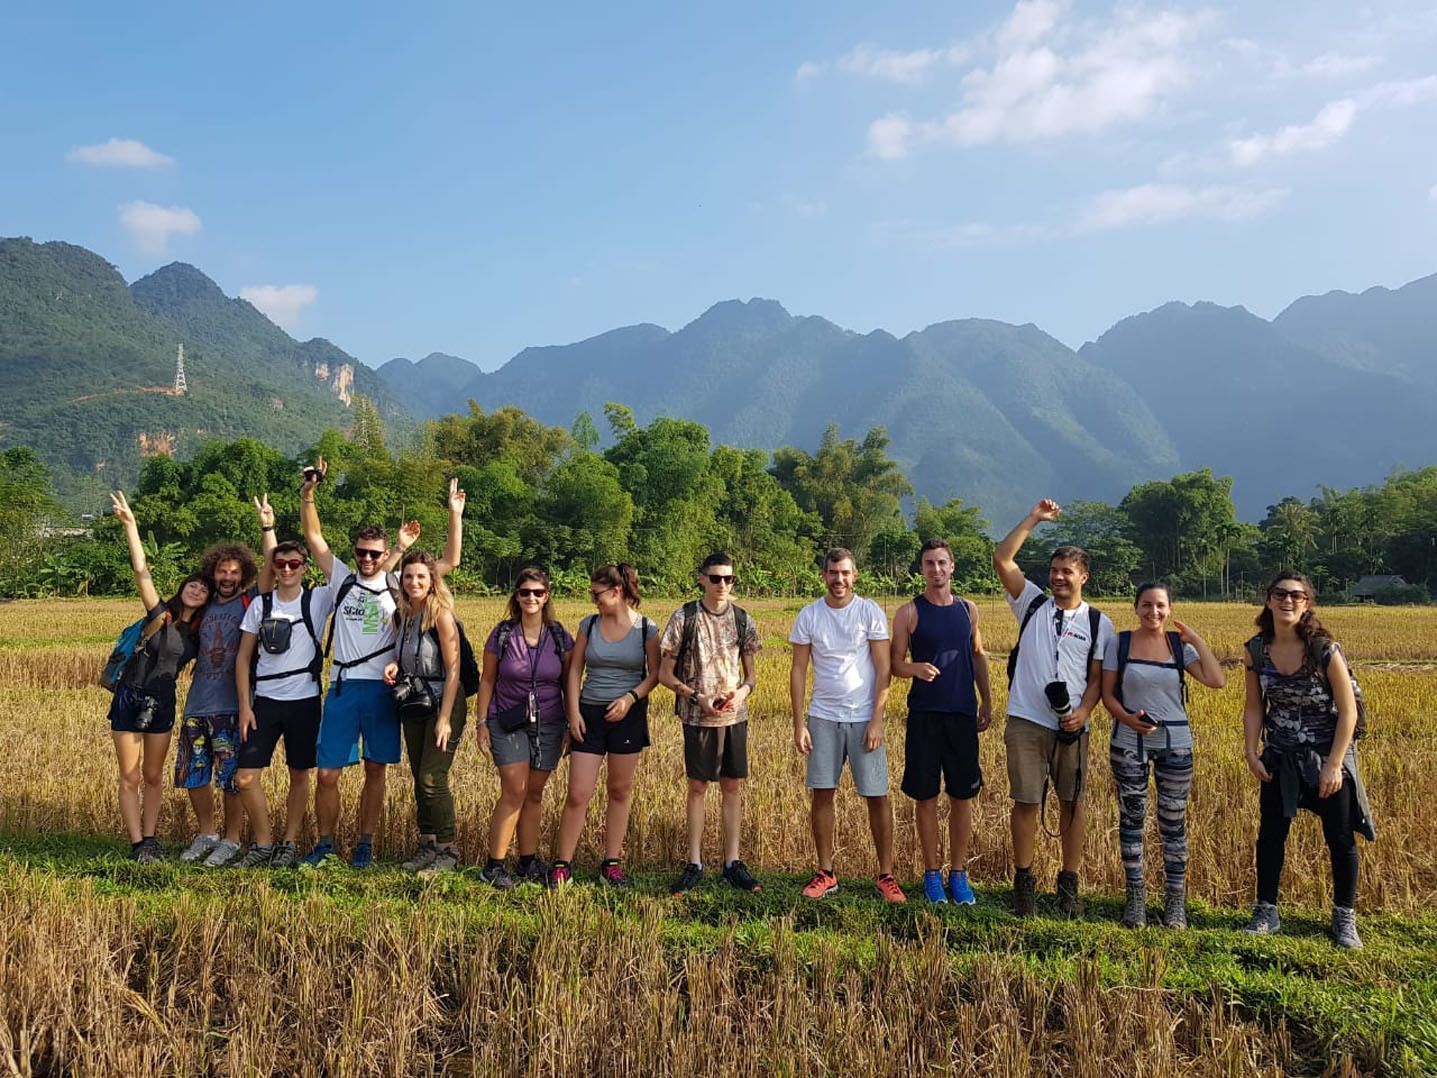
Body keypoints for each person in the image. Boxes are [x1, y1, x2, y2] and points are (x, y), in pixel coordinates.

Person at [298, 459, 465, 868]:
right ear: (354, 552)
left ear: (383, 552)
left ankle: (365, 844)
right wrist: (308, 493)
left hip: (385, 692)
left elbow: (449, 562)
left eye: (375, 553)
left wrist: (454, 515)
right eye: (361, 552)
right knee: (327, 774)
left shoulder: (400, 585)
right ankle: (324, 844)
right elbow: (313, 535)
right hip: (342, 685)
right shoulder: (342, 578)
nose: (368, 558)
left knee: (377, 771)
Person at [992, 499, 1115, 917]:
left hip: (1071, 725)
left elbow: (1098, 677)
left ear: (1084, 576)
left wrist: (1084, 711)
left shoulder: (1099, 622)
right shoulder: (1031, 603)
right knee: (1025, 801)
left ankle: (1069, 884)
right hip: (1026, 719)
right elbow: (1002, 557)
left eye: (1067, 571)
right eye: (1054, 570)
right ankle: (1024, 883)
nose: (1059, 577)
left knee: (1072, 802)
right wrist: (1033, 519)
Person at [1241, 573, 1373, 949]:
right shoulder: (1255, 650)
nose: (1288, 600)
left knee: (1340, 837)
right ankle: (1266, 910)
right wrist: (1252, 751)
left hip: (1326, 755)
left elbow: (1347, 713)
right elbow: (1254, 707)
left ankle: (1344, 918)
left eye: (1297, 596)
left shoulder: (1325, 649)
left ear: (1307, 603)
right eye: (1280, 594)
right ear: (1268, 600)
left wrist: (1334, 765)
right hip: (1280, 755)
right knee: (1271, 835)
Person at [1100, 582, 1225, 929]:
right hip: (1129, 743)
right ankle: (1136, 899)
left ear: (1170, 609)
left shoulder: (1177, 646)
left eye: (1160, 606)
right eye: (1146, 605)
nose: (1153, 613)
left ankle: (1175, 903)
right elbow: (1108, 694)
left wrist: (1195, 639)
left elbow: (1216, 681)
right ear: (1135, 608)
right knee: (1132, 819)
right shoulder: (1119, 643)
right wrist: (1127, 718)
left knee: (1174, 823)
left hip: (1177, 743)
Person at [790, 548, 904, 902]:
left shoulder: (869, 611)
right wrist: (799, 724)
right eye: (832, 573)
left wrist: (877, 720)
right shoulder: (809, 615)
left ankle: (886, 874)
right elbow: (798, 671)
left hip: (863, 717)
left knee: (877, 795)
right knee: (823, 792)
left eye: (845, 573)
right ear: (823, 575)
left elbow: (884, 669)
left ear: (855, 576)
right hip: (822, 716)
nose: (838, 579)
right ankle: (826, 872)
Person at [106, 491, 212, 863]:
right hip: (129, 695)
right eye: (193, 584)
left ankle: (151, 839)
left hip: (163, 703)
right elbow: (141, 569)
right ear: (183, 588)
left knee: (153, 776)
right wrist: (131, 526)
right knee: (129, 777)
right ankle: (137, 844)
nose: (197, 589)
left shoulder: (200, 635)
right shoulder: (159, 614)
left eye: (204, 588)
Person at [889, 538, 992, 905]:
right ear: (921, 570)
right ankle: (932, 874)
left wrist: (987, 700)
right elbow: (894, 663)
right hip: (925, 717)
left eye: (942, 563)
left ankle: (959, 874)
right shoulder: (909, 613)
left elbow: (978, 655)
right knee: (926, 797)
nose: (936, 570)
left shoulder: (968, 610)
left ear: (952, 568)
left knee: (963, 797)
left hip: (963, 714)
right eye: (929, 563)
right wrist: (914, 668)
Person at [178, 498, 277, 866]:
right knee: (194, 775)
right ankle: (206, 833)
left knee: (231, 777)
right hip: (196, 703)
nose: (228, 577)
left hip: (233, 705)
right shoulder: (201, 607)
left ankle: (232, 840)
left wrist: (267, 527)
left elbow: (272, 565)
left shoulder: (251, 602)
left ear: (244, 574)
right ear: (213, 572)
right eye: (222, 571)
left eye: (235, 572)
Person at [551, 563, 661, 888]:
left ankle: (611, 863)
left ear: (616, 592)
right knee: (578, 793)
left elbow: (655, 674)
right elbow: (574, 671)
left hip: (628, 716)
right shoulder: (589, 624)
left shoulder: (646, 628)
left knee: (619, 791)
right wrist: (574, 714)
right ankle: (562, 864)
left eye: (597, 593)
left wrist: (629, 698)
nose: (593, 598)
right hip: (589, 714)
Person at [660, 553, 764, 895]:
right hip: (697, 716)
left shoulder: (742, 619)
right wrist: (696, 697)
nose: (723, 585)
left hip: (734, 715)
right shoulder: (684, 617)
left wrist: (742, 694)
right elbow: (664, 673)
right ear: (701, 578)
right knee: (698, 788)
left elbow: (751, 676)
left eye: (729, 579)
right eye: (716, 578)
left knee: (732, 787)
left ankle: (732, 862)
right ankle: (695, 862)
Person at [233, 540, 336, 867]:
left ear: (306, 567)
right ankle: (264, 842)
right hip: (264, 701)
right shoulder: (260, 605)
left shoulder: (318, 599)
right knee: (245, 777)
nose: (287, 569)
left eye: (294, 563)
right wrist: (245, 706)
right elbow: (242, 658)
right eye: (281, 564)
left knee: (299, 775)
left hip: (304, 701)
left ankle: (289, 843)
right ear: (273, 568)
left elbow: (357, 578)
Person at [474, 568, 574, 888]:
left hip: (550, 722)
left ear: (547, 597)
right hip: (507, 720)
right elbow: (487, 679)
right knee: (514, 791)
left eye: (538, 593)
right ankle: (494, 866)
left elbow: (569, 683)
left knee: (533, 793)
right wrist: (481, 724)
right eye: (525, 592)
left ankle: (527, 862)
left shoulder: (559, 636)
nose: (531, 598)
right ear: (516, 597)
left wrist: (571, 725)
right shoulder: (502, 634)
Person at [383, 550, 466, 877]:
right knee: (419, 777)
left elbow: (454, 669)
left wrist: (445, 718)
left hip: (443, 699)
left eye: (421, 576)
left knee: (433, 778)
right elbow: (401, 653)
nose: (413, 582)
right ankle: (427, 844)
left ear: (432, 581)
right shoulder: (402, 616)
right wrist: (393, 664)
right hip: (415, 701)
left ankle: (448, 850)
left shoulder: (440, 615)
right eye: (408, 576)